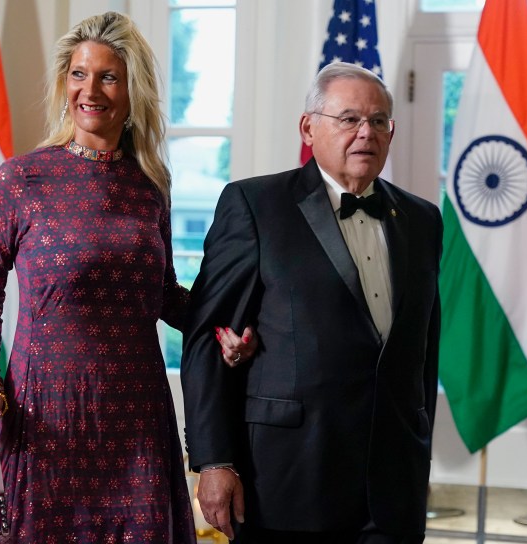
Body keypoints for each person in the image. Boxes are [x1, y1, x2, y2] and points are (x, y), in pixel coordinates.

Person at [0, 11, 254, 543]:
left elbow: (163, 295)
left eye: (107, 76)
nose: (89, 89)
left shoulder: (150, 187)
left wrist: (222, 329)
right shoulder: (20, 179)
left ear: (131, 89)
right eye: (78, 74)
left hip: (136, 416)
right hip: (47, 413)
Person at [180, 61, 443, 544]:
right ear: (309, 127)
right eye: (348, 119)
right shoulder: (254, 205)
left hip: (392, 492)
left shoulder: (423, 220)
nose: (366, 132)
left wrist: (419, 449)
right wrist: (214, 461)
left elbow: (423, 352)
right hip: (284, 483)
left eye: (379, 121)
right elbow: (206, 337)